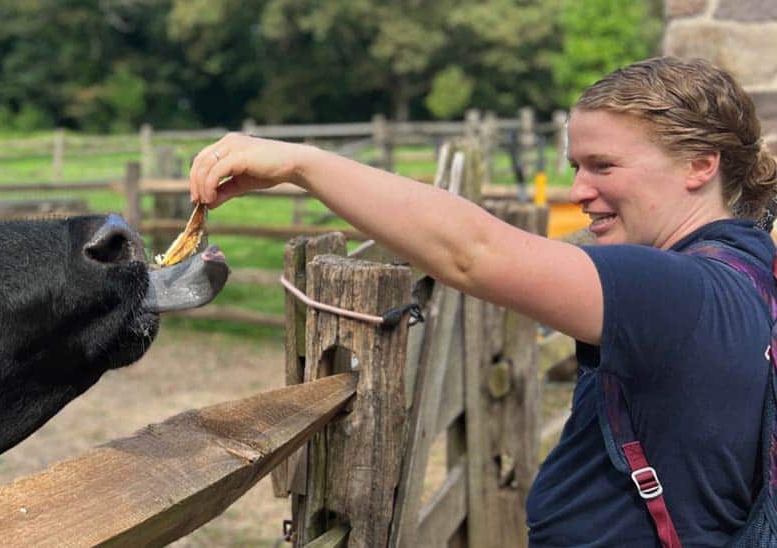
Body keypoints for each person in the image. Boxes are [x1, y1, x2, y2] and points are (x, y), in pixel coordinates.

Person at [187, 57, 777, 546]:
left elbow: (473, 253)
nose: (578, 191)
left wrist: (299, 162)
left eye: (604, 166)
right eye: (576, 166)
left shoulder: (679, 291)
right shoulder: (749, 270)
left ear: (701, 165)